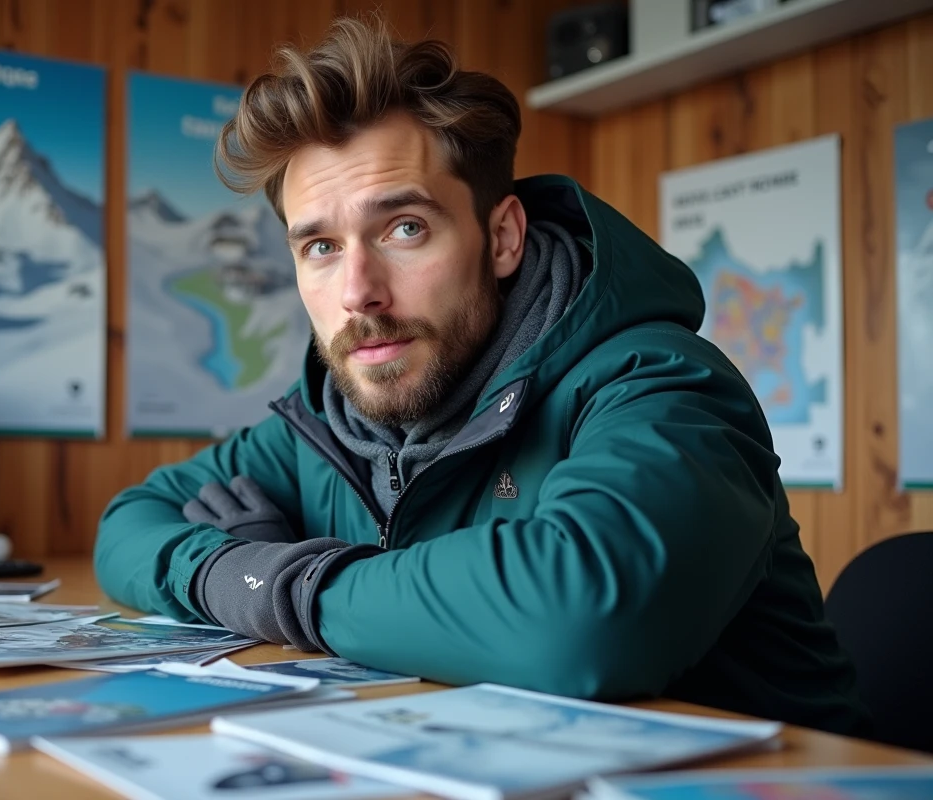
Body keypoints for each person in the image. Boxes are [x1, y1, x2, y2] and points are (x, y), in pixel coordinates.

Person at [96, 17, 867, 736]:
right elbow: (128, 525)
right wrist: (232, 572)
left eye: (404, 228)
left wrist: (281, 589)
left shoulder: (659, 384)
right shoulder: (330, 423)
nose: (358, 289)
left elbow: (580, 619)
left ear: (501, 238)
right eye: (321, 247)